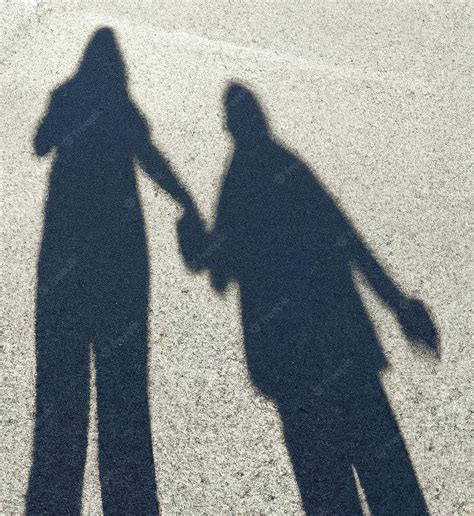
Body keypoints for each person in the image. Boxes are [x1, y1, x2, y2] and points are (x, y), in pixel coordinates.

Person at [179, 83, 438, 514]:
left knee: (328, 493)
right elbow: (347, 239)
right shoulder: (289, 168)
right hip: (345, 346)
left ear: (229, 126)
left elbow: (221, 272)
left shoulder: (237, 182)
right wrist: (397, 305)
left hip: (290, 365)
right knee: (392, 487)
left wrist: (191, 242)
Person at [28, 27, 196, 514]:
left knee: (62, 389)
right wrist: (184, 199)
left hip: (65, 248)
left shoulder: (66, 94)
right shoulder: (124, 109)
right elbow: (152, 160)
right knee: (123, 388)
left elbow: (40, 144)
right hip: (119, 251)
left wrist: (62, 115)